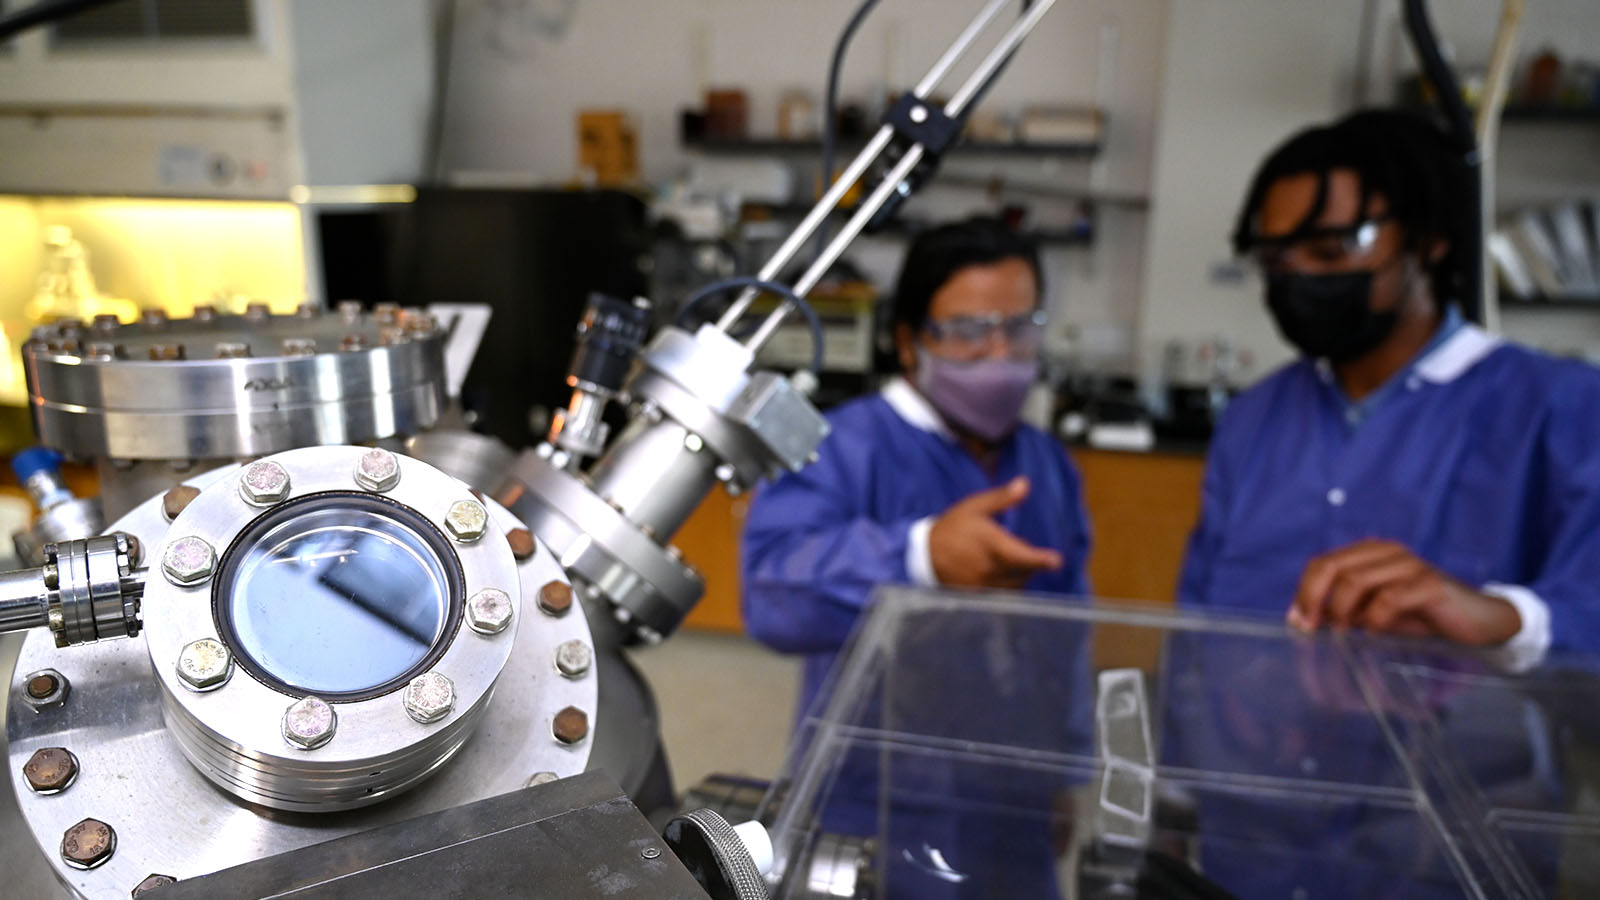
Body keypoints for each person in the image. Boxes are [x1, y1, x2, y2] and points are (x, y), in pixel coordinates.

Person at [741, 216, 1093, 899]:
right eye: (967, 331)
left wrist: (1062, 774)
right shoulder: (844, 446)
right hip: (875, 796)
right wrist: (919, 555)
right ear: (909, 342)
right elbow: (771, 591)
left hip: (1013, 799)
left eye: (1018, 328)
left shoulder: (1046, 465)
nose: (998, 353)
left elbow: (1067, 630)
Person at [1179, 109, 1600, 668]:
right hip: (1241, 753)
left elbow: (1587, 614)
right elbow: (1195, 630)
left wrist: (1498, 617)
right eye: (1278, 259)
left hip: (1456, 753)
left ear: (1428, 240)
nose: (1300, 276)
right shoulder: (1253, 418)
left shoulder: (1559, 408)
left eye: (1331, 251)